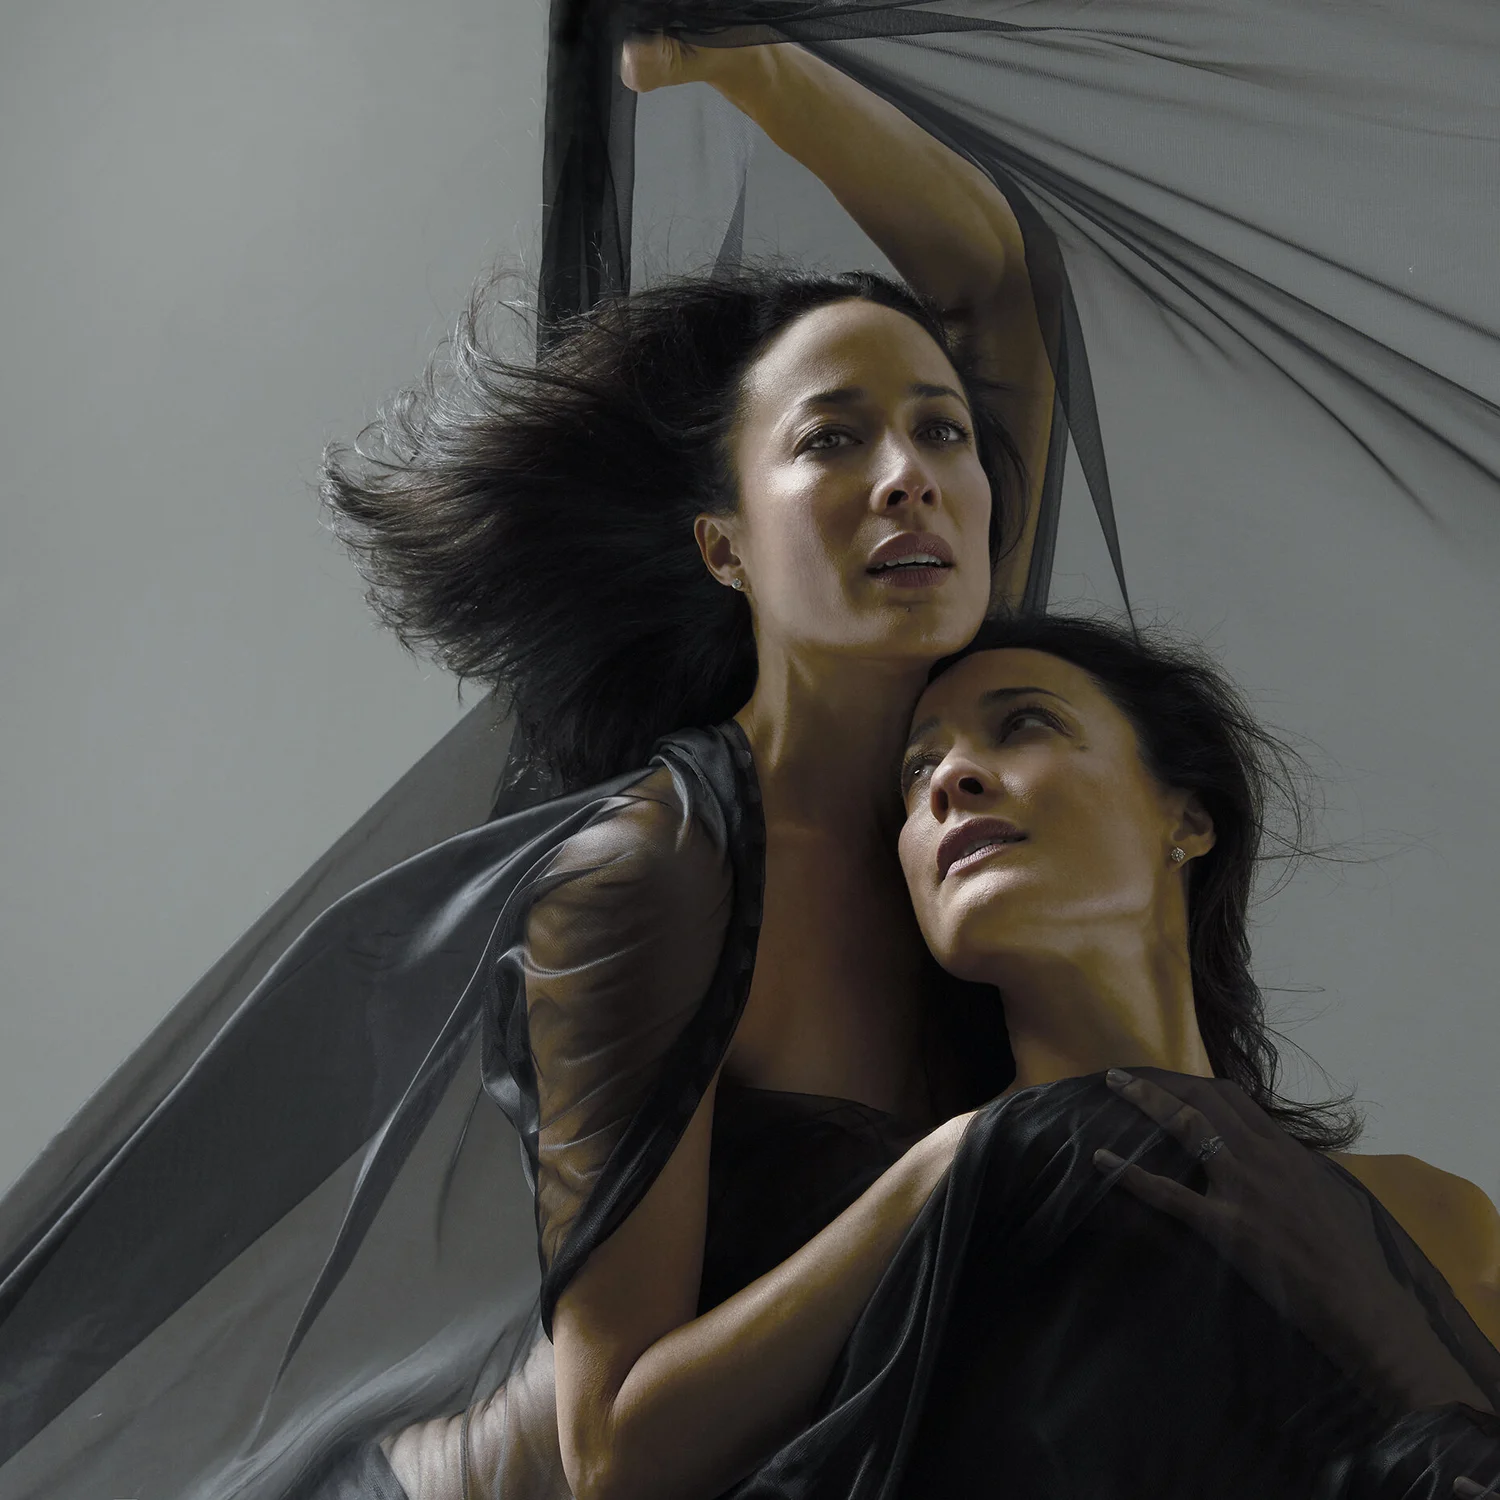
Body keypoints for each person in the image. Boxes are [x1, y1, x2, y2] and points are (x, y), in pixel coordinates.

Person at [315, 30, 1051, 1498]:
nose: (909, 475)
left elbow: (988, 280)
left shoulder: (970, 756)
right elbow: (617, 1451)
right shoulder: (653, 876)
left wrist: (756, 69)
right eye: (832, 440)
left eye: (942, 431)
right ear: (726, 547)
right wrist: (953, 1172)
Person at [890, 612, 1500, 1495]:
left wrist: (1382, 1331)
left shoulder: (1436, 1218)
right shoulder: (918, 1218)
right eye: (914, 772)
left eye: (1024, 723)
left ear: (1188, 815)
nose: (949, 779)